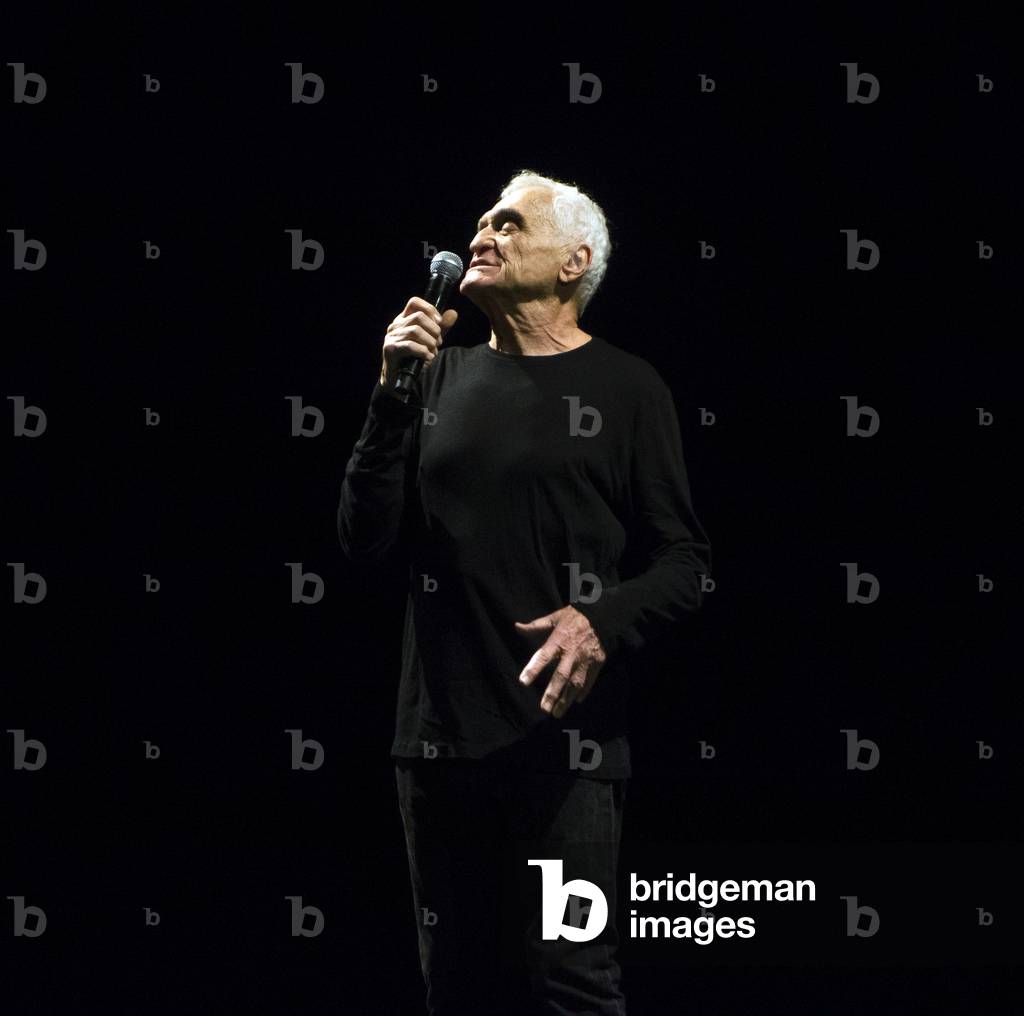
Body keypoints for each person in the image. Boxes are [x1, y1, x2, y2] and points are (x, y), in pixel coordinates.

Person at [337, 169, 712, 1015]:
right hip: (437, 742)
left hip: (566, 747)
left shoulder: (628, 389)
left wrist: (600, 621)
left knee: (570, 981)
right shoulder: (435, 378)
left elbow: (687, 562)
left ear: (575, 260)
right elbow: (363, 540)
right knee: (458, 989)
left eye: (509, 223)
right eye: (480, 222)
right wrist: (391, 392)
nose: (483, 235)